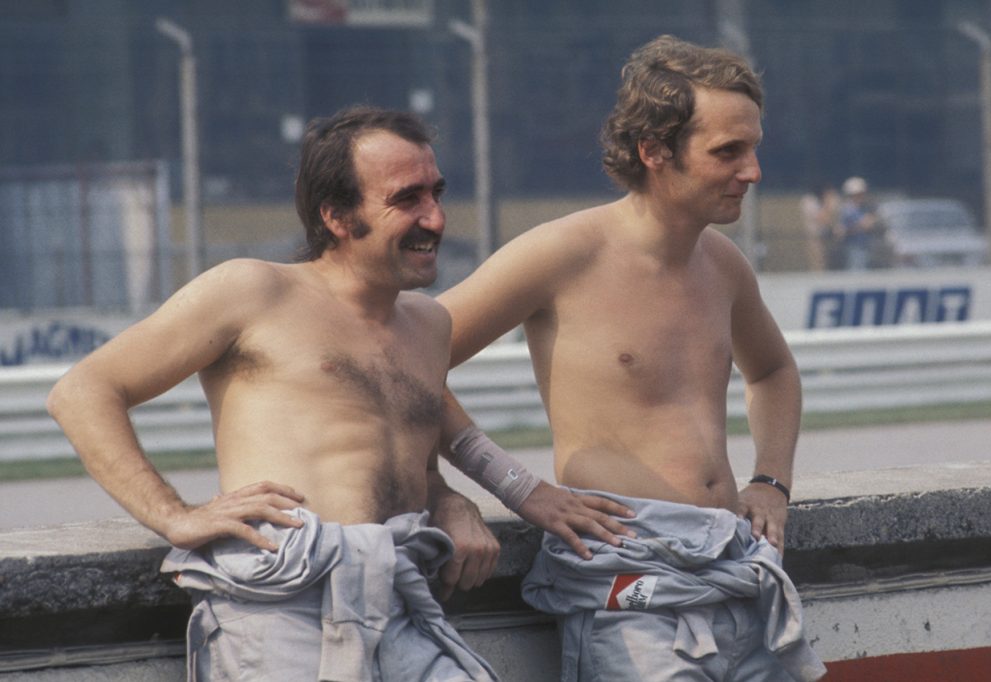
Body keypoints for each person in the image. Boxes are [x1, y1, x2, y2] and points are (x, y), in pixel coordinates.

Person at [46, 105, 628, 681]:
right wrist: (173, 516)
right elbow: (83, 391)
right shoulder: (252, 291)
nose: (436, 218)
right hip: (284, 606)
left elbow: (409, 454)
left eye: (436, 193)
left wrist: (450, 500)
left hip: (401, 596)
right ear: (337, 216)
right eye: (407, 200)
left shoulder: (428, 325)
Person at [437, 37, 827, 681]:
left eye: (754, 148)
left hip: (736, 568)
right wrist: (516, 487)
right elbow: (402, 361)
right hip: (630, 584)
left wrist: (772, 481)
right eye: (727, 152)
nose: (753, 172)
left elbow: (774, 372)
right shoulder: (562, 252)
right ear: (654, 150)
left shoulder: (723, 263)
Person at [839, 175, 880, 270]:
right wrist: (862, 225)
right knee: (856, 271)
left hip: (867, 245)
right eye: (858, 194)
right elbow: (841, 230)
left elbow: (872, 222)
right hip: (854, 247)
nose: (861, 196)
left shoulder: (865, 208)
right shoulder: (847, 210)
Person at [799, 183, 841, 271]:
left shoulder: (826, 201)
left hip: (827, 236)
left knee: (829, 261)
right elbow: (821, 218)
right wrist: (828, 203)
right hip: (814, 236)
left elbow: (834, 218)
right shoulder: (809, 201)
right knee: (817, 260)